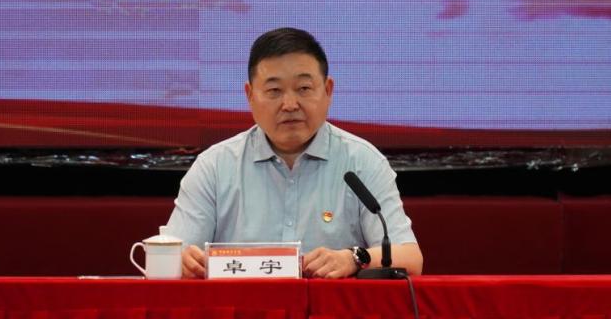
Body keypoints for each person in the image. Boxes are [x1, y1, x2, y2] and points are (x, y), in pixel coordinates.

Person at [165, 27, 423, 279]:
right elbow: (169, 258)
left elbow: (410, 258)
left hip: (329, 308)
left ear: (328, 91)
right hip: (239, 307)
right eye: (274, 91)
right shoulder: (214, 166)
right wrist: (183, 263)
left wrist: (354, 258)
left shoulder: (363, 162)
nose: (289, 105)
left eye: (304, 88)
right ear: (250, 95)